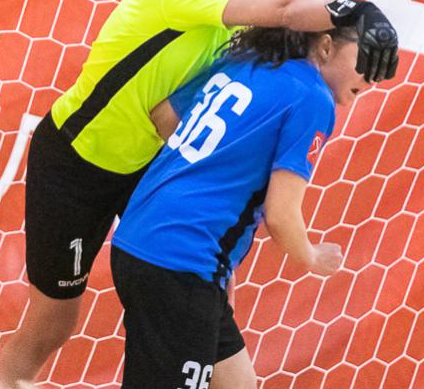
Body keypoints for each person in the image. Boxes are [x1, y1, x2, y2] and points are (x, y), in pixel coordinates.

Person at [0, 0, 398, 387]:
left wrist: (204, 170)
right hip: (78, 163)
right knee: (53, 322)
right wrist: (359, 11)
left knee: (207, 289)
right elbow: (286, 11)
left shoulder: (244, 5)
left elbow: (166, 112)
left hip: (145, 166)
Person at [112, 24, 370, 388]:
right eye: (367, 59)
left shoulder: (247, 61)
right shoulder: (313, 97)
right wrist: (312, 257)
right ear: (326, 46)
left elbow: (164, 117)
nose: (372, 77)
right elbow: (281, 215)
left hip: (142, 240)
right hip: (183, 259)